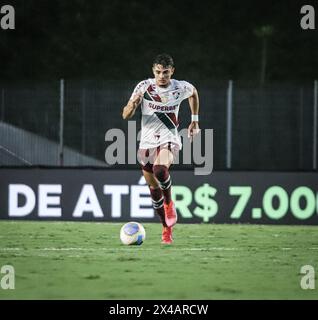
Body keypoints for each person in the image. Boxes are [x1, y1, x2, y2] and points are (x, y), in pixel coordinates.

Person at [122, 53, 200, 244]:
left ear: (172, 71)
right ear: (153, 71)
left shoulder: (180, 87)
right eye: (158, 72)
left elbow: (194, 93)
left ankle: (169, 203)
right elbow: (125, 115)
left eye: (166, 72)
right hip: (146, 143)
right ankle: (166, 228)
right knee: (153, 189)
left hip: (169, 139)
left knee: (160, 169)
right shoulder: (143, 87)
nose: (162, 76)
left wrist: (194, 120)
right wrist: (132, 105)